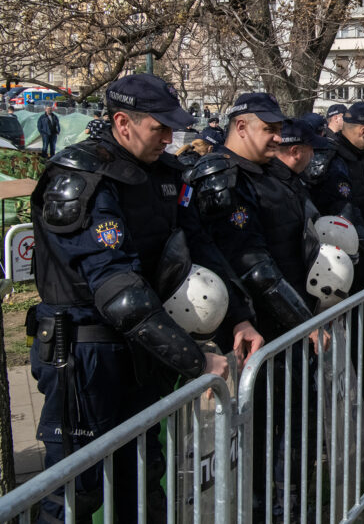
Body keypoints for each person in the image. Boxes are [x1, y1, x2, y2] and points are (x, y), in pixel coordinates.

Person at [29, 74, 260, 521]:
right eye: (161, 128)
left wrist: (240, 317)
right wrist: (195, 360)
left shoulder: (165, 175)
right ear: (123, 122)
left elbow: (202, 248)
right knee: (78, 491)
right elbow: (118, 291)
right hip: (84, 355)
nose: (171, 139)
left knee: (143, 476)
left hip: (142, 348)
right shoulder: (83, 177)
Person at [189, 94, 325, 519]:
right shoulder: (225, 176)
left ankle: (294, 501)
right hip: (263, 325)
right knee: (267, 427)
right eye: (268, 129)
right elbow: (251, 264)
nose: (277, 137)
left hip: (292, 316)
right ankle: (268, 507)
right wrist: (304, 322)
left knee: (298, 418)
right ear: (241, 126)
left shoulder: (273, 174)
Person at [304, 102, 364, 292]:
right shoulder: (335, 160)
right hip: (340, 258)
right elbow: (347, 214)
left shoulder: (362, 157)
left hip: (362, 250)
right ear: (362, 130)